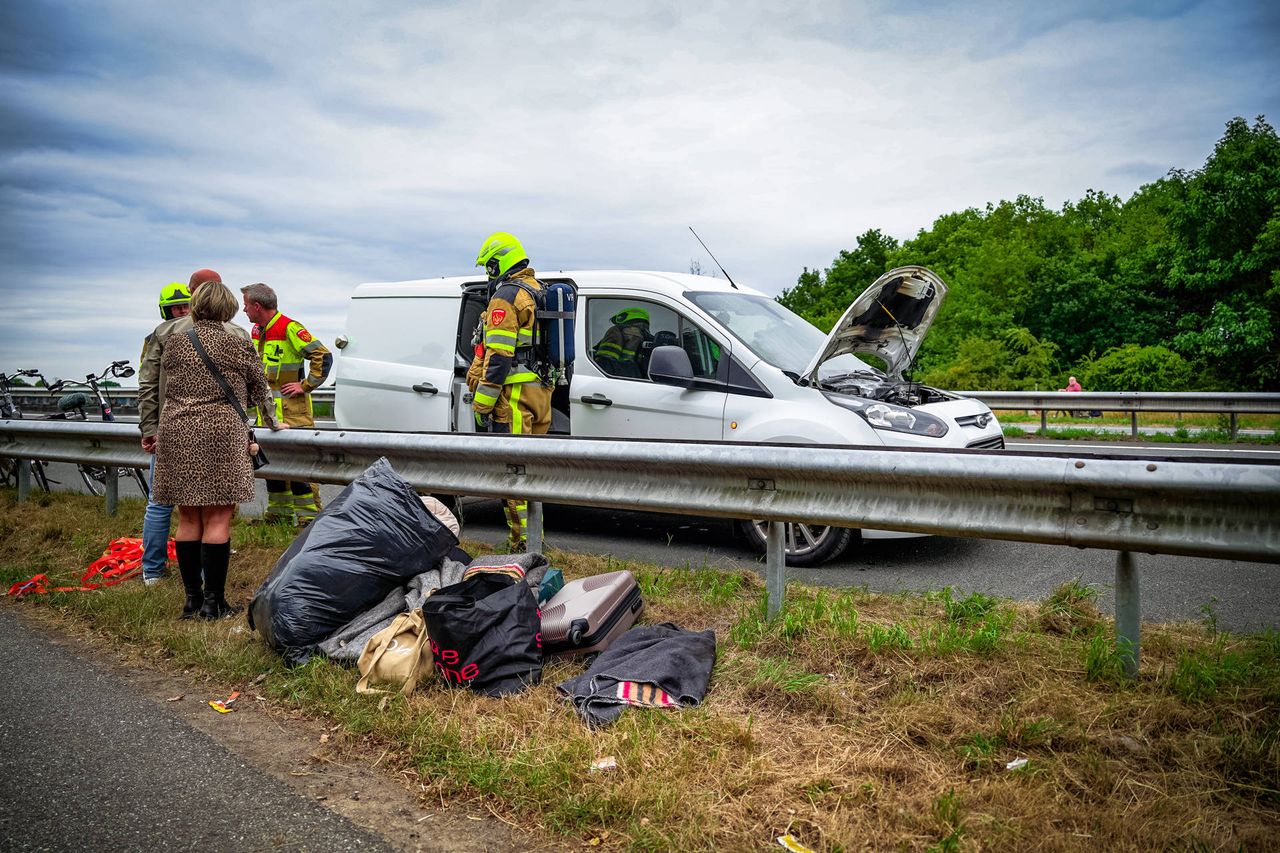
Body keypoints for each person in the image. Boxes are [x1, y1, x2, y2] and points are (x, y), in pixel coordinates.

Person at [151, 281, 285, 619]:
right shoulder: (236, 341)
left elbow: (161, 386)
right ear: (229, 309)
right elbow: (259, 387)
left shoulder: (175, 342)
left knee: (188, 517)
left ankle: (191, 601)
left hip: (177, 430)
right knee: (217, 517)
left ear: (195, 307)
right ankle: (214, 603)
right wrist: (272, 422)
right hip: (220, 431)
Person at [467, 231, 552, 552]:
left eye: (487, 267)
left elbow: (500, 356)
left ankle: (522, 546)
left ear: (497, 263)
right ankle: (535, 541)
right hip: (539, 392)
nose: (487, 274)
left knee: (515, 474)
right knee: (533, 473)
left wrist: (482, 403)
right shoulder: (537, 290)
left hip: (514, 396)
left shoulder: (506, 296)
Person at [240, 283, 331, 526]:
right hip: (267, 415)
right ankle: (279, 517)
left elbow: (323, 355)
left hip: (294, 414)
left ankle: (310, 520)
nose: (244, 309)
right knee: (274, 467)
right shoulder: (257, 331)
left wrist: (305, 385)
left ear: (257, 306)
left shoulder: (290, 327)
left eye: (246, 305)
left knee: (300, 468)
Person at [139, 282, 192, 585]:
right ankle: (154, 571)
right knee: (163, 504)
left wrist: (149, 428)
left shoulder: (155, 337)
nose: (182, 312)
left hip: (168, 429)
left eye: (186, 306)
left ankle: (155, 571)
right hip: (172, 431)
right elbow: (146, 386)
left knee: (162, 503)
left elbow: (146, 384)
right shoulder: (207, 333)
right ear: (166, 310)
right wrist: (149, 429)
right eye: (177, 308)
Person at [592, 307, 653, 378]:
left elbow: (604, 364)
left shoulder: (615, 331)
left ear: (622, 318)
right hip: (639, 382)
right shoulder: (650, 340)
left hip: (614, 380)